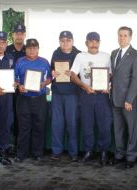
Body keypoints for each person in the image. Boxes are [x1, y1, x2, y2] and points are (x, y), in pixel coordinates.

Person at [71, 32, 112, 166]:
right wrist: (84, 86)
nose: (94, 44)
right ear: (86, 43)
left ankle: (103, 152)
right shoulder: (80, 56)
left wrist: (108, 85)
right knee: (87, 124)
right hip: (86, 95)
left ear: (99, 42)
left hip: (102, 96)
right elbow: (72, 74)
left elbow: (111, 75)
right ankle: (89, 151)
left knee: (104, 125)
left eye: (96, 41)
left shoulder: (106, 56)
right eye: (91, 41)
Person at [109, 26, 137, 169]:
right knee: (118, 129)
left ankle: (131, 156)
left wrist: (129, 99)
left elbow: (136, 79)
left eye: (125, 35)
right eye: (120, 35)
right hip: (115, 98)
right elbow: (112, 75)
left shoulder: (136, 55)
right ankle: (119, 154)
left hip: (129, 100)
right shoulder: (114, 53)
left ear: (130, 37)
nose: (122, 38)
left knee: (132, 130)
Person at [14, 38, 51, 162]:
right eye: (29, 48)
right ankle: (21, 153)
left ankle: (37, 153)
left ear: (38, 49)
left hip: (40, 98)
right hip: (24, 99)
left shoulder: (44, 62)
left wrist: (44, 83)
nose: (32, 50)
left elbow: (50, 78)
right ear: (26, 49)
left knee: (39, 126)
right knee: (24, 127)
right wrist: (19, 86)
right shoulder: (20, 62)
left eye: (34, 48)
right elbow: (15, 79)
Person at [50, 31, 81, 162]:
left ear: (73, 41)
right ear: (59, 41)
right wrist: (53, 72)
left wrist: (73, 75)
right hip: (57, 93)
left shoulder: (79, 54)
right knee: (57, 123)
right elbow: (51, 70)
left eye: (68, 40)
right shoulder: (55, 53)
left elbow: (83, 75)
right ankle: (57, 151)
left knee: (72, 123)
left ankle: (73, 152)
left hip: (72, 94)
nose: (65, 43)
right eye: (62, 40)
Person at [6, 23, 26, 155]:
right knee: (9, 118)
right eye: (16, 33)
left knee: (21, 118)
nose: (19, 36)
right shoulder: (6, 50)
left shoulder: (28, 49)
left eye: (21, 33)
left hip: (24, 91)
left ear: (24, 35)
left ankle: (20, 146)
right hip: (8, 90)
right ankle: (7, 145)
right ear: (12, 35)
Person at [0, 31, 14, 165]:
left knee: (5, 124)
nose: (1, 45)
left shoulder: (10, 58)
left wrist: (16, 83)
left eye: (3, 42)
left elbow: (16, 76)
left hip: (7, 97)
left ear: (6, 44)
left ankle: (2, 152)